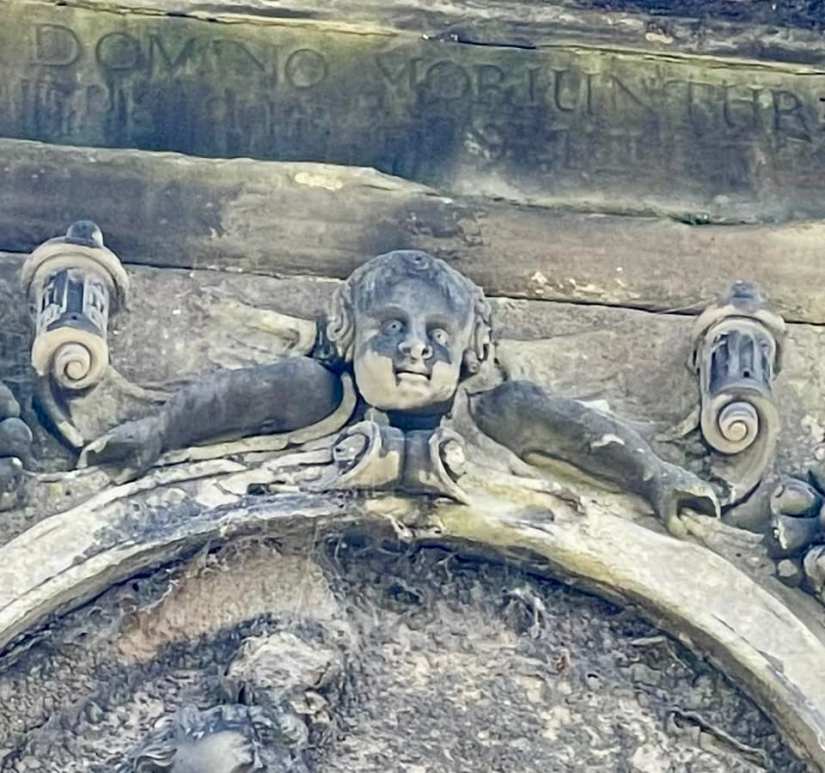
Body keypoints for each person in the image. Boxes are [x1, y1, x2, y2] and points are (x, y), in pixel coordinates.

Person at [83, 250, 717, 534]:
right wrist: (158, 432)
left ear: (472, 351)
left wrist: (655, 475)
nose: (416, 347)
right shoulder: (312, 391)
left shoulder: (502, 411)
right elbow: (230, 399)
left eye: (438, 333)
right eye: (391, 326)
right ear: (346, 336)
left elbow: (581, 433)